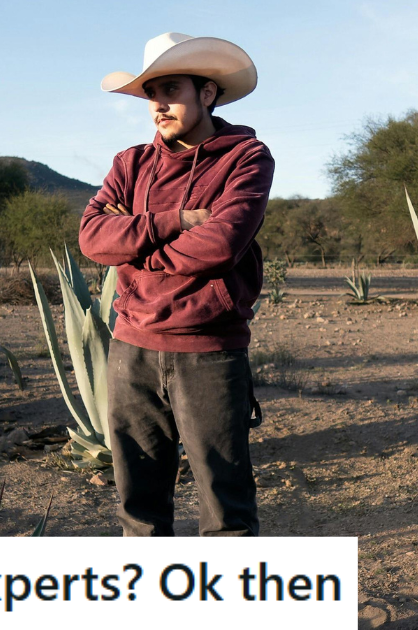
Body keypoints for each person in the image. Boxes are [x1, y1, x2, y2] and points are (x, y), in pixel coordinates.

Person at [78, 32, 274, 536]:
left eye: (171, 90)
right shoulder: (130, 163)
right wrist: (177, 220)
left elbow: (220, 246)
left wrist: (137, 245)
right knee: (138, 503)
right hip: (131, 349)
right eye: (151, 94)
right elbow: (92, 238)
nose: (159, 105)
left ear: (207, 93)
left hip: (209, 350)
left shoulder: (246, 158)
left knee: (224, 502)